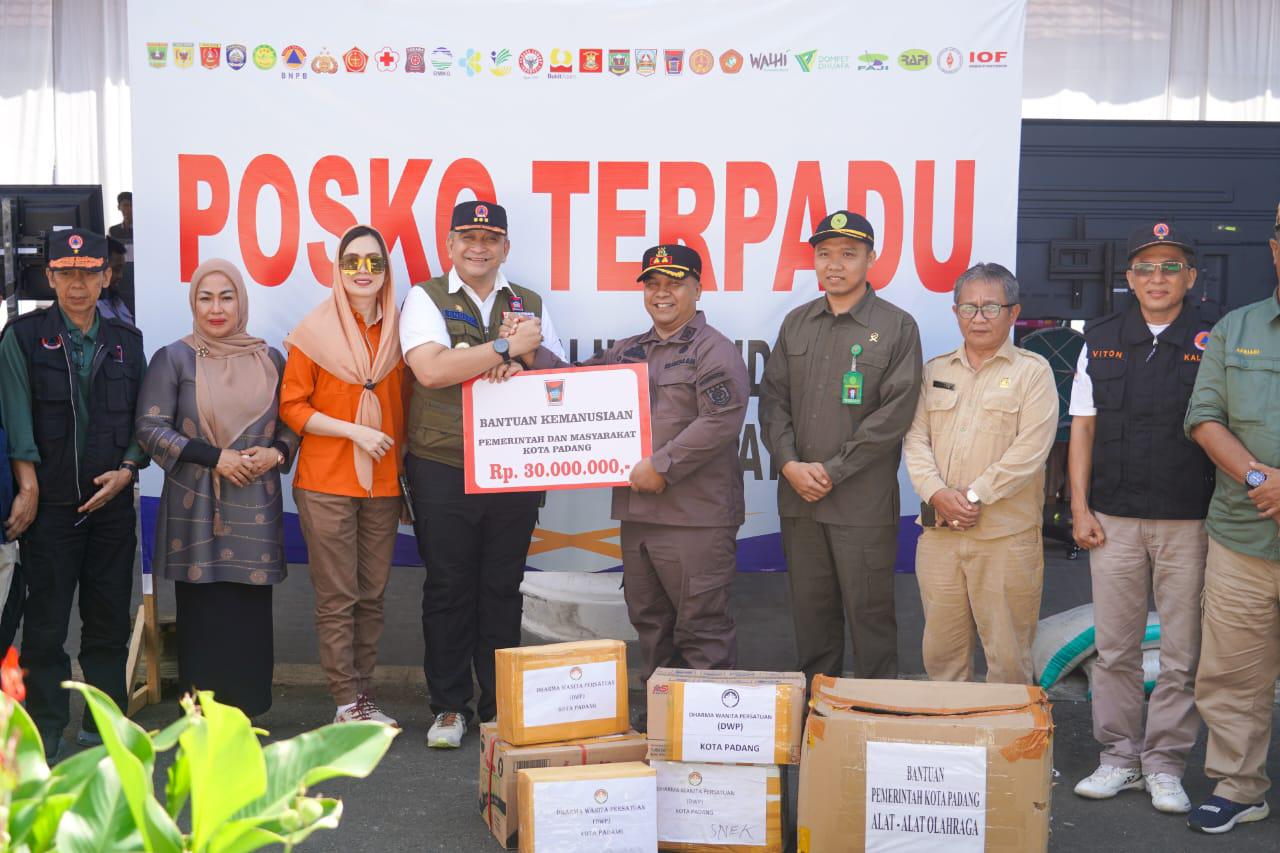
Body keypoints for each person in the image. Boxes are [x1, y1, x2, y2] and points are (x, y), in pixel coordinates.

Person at [522, 244, 748, 686]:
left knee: (701, 629)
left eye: (674, 283)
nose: (661, 293)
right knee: (651, 625)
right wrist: (529, 357)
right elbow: (574, 385)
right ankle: (663, 719)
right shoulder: (627, 351)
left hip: (695, 520)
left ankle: (701, 725)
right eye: (652, 284)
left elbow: (720, 421)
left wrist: (663, 465)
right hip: (639, 517)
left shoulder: (714, 351)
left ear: (698, 289)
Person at [399, 200, 561, 748]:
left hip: (513, 467)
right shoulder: (425, 297)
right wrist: (502, 347)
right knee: (448, 587)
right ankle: (449, 706)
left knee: (502, 588)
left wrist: (523, 362)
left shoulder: (529, 302)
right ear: (450, 244)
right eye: (468, 236)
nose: (479, 246)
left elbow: (559, 375)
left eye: (490, 238)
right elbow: (431, 369)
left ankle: (498, 706)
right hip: (443, 464)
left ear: (505, 248)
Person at [1068, 223, 1217, 813]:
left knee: (1182, 653)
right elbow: (1083, 429)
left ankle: (1164, 765)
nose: (1158, 277)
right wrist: (1079, 508)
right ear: (1129, 279)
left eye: (1171, 266)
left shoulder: (1215, 338)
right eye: (1146, 268)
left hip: (1189, 520)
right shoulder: (1100, 337)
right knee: (1115, 649)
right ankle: (1119, 758)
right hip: (1114, 518)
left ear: (1191, 276)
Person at [0, 228, 147, 759]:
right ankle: (45, 727)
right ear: (50, 276)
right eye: (66, 273)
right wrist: (28, 485)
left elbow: (146, 418)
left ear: (106, 277)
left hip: (112, 505)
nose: (77, 284)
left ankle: (104, 726)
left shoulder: (127, 341)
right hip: (51, 507)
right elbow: (15, 414)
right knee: (45, 626)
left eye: (88, 273)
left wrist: (128, 468)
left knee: (108, 622)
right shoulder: (23, 337)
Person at [759, 210, 922, 682]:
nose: (834, 265)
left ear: (872, 258)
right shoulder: (796, 323)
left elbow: (894, 414)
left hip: (860, 504)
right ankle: (819, 714)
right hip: (800, 499)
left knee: (871, 619)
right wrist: (789, 464)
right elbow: (773, 401)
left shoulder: (896, 326)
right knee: (812, 620)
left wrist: (833, 470)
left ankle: (874, 714)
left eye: (849, 254)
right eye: (824, 254)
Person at [134, 259, 297, 716]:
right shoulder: (174, 358)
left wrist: (276, 453)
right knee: (203, 612)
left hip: (255, 504)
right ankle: (201, 718)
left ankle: (248, 714)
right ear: (194, 303)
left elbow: (292, 422)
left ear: (241, 301)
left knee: (248, 613)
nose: (216, 308)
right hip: (197, 509)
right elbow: (149, 427)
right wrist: (215, 457)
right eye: (205, 298)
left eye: (226, 297)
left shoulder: (270, 359)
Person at [903, 263, 1057, 685]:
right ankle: (949, 727)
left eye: (991, 307)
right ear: (955, 313)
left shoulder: (1033, 372)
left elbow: (1031, 450)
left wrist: (972, 497)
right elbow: (914, 439)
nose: (979, 318)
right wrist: (937, 494)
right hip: (939, 536)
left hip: (1004, 538)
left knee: (1008, 659)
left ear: (1013, 312)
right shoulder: (935, 371)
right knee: (942, 657)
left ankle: (1007, 731)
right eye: (969, 308)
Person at [280, 225, 405, 727]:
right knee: (338, 597)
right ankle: (345, 701)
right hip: (326, 481)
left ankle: (363, 696)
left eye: (374, 261)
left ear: (387, 271)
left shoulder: (401, 332)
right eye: (352, 261)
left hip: (383, 482)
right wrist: (354, 432)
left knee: (371, 596)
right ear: (338, 268)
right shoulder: (314, 332)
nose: (363, 271)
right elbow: (292, 407)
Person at [1181, 202, 1280, 835]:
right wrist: (1260, 480)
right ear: (1274, 248)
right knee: (1232, 672)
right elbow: (1203, 416)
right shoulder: (1235, 328)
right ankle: (1239, 787)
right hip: (1243, 536)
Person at [97, 238, 135, 326]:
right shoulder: (89, 312)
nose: (120, 276)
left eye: (122, 269)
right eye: (116, 269)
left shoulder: (117, 302)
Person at [108, 191, 132, 257]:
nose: (130, 208)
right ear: (119, 207)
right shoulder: (113, 230)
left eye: (132, 205)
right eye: (126, 205)